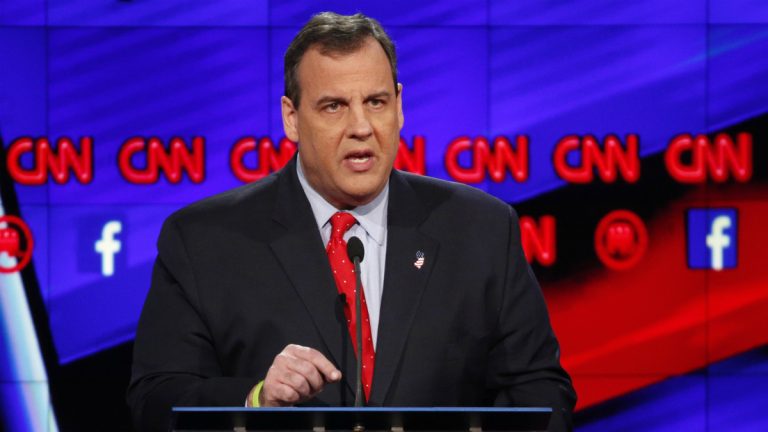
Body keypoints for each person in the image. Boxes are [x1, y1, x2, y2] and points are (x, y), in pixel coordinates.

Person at [127, 12, 576, 432]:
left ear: (399, 106)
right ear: (291, 118)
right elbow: (155, 402)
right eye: (334, 107)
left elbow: (542, 393)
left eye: (376, 102)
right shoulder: (204, 240)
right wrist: (255, 400)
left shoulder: (481, 229)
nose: (361, 126)